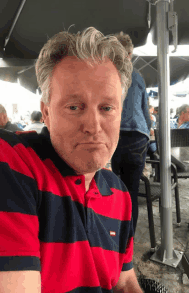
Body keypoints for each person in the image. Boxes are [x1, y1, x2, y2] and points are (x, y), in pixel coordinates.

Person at [0, 27, 144, 293]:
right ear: (46, 112)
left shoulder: (120, 195)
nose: (93, 125)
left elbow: (125, 281)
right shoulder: (12, 164)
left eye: (107, 108)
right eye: (74, 107)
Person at [111, 31, 151, 234]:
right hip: (138, 137)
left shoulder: (107, 73)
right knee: (131, 191)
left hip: (115, 135)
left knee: (109, 189)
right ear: (129, 54)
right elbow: (146, 113)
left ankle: (111, 235)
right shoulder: (137, 76)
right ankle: (128, 240)